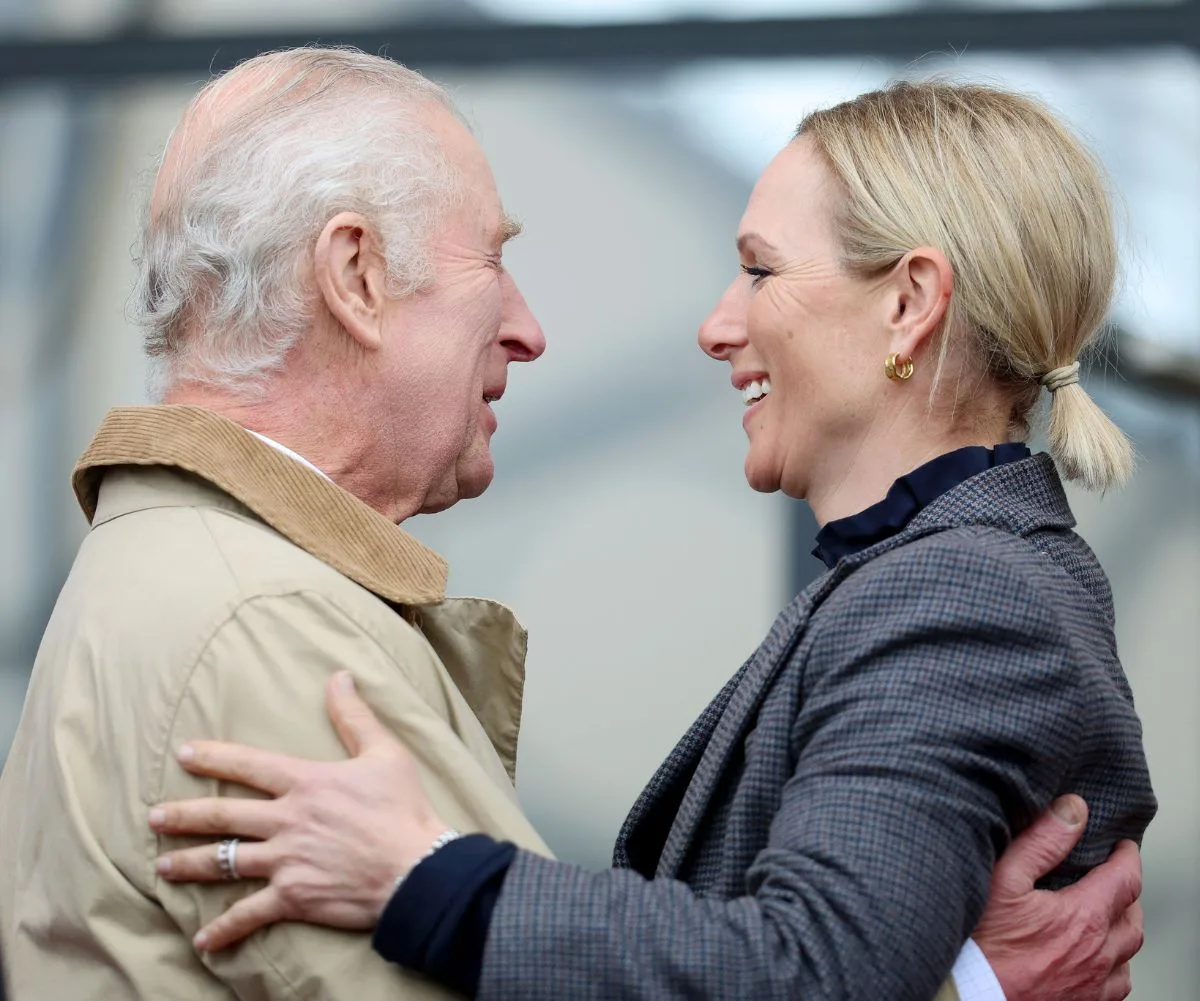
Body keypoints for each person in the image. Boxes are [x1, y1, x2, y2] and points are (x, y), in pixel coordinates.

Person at [148, 80, 1156, 1001]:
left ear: (909, 305)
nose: (718, 326)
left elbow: (817, 969)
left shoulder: (960, 594)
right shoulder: (934, 575)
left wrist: (429, 878)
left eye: (760, 271)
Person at [0, 48, 549, 1000]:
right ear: (355, 274)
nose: (526, 327)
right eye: (492, 260)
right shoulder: (265, 622)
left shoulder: (188, 572)